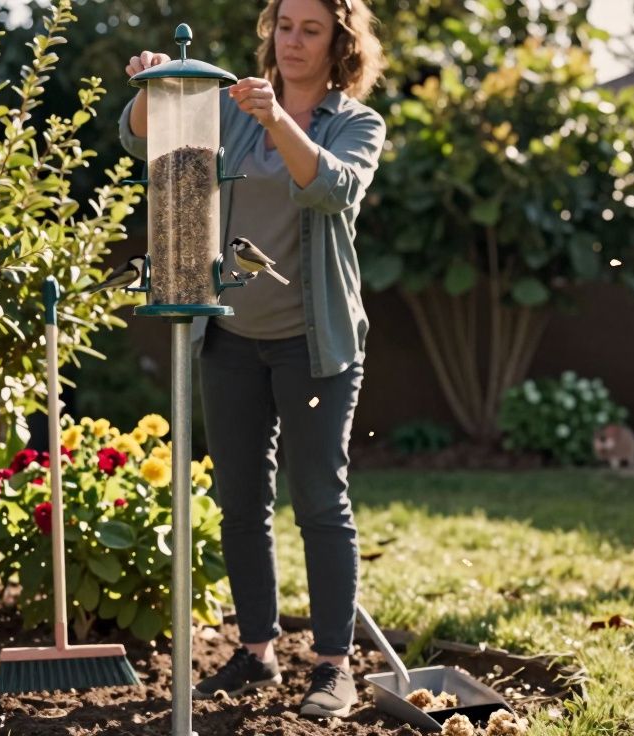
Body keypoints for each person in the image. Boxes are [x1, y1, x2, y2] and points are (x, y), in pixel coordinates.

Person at [118, 0, 386, 719]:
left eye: (311, 29)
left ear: (339, 44)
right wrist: (152, 89)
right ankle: (257, 653)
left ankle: (332, 666)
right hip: (229, 336)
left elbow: (331, 188)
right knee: (240, 503)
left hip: (314, 343)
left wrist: (277, 120)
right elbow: (142, 140)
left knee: (321, 503)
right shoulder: (230, 108)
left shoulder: (355, 123)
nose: (292, 40)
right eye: (284, 26)